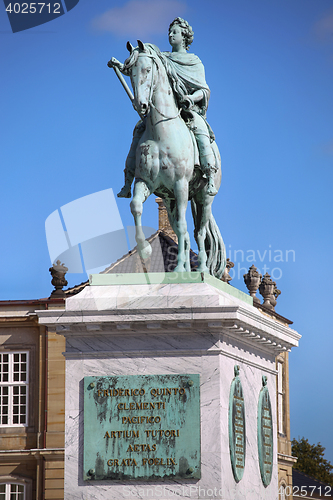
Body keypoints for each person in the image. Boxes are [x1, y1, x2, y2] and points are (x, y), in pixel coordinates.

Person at [112, 17, 218, 198]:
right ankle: (128, 181)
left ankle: (209, 175)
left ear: (184, 36)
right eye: (169, 32)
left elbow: (204, 90)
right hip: (163, 110)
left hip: (187, 109)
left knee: (200, 129)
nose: (170, 35)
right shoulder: (162, 58)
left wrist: (191, 98)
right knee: (139, 130)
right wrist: (121, 66)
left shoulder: (194, 61)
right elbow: (142, 70)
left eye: (174, 32)